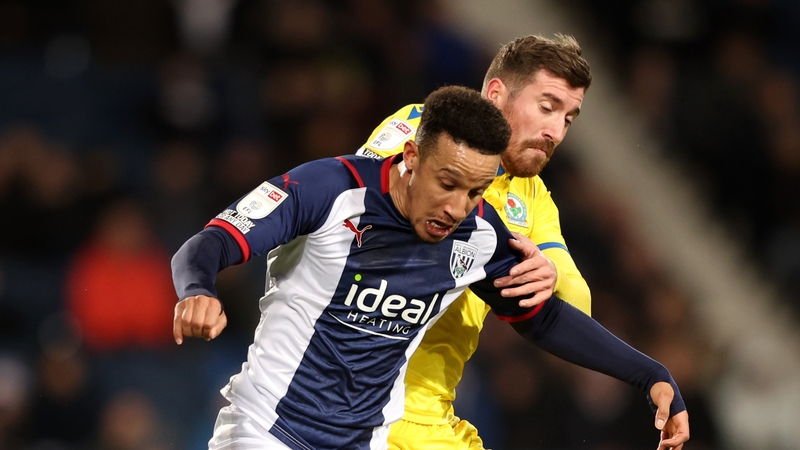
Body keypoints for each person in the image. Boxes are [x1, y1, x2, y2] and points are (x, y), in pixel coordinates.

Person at [172, 85, 687, 450]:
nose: (457, 208)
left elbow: (545, 319)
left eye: (476, 192)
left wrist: (650, 375)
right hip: (266, 433)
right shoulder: (328, 189)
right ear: (411, 156)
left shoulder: (479, 233)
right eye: (447, 183)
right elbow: (211, 241)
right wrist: (198, 288)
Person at [356, 34, 689, 450]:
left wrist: (547, 275)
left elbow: (572, 308)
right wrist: (495, 248)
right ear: (496, 95)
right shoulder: (422, 130)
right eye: (547, 107)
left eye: (568, 118)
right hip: (351, 398)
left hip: (427, 417)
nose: (555, 131)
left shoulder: (531, 198)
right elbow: (368, 211)